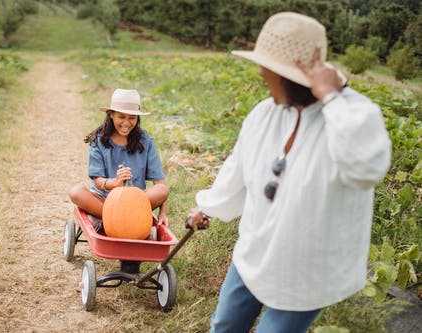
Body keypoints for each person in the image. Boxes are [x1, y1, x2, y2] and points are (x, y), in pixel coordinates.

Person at [187, 12, 391, 333]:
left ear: (288, 75)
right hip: (255, 251)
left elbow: (366, 169)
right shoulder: (264, 114)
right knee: (225, 326)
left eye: (266, 66)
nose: (260, 73)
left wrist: (331, 98)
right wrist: (207, 206)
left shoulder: (352, 114)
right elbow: (236, 171)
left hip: (306, 269)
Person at [69, 88, 170, 228]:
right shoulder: (98, 142)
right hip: (104, 201)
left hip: (134, 202)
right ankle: (119, 219)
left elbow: (160, 183)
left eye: (132, 118)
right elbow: (98, 181)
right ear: (111, 115)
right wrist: (115, 182)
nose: (126, 123)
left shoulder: (146, 141)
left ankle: (117, 219)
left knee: (162, 191)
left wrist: (163, 213)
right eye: (121, 117)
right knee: (76, 192)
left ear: (137, 118)